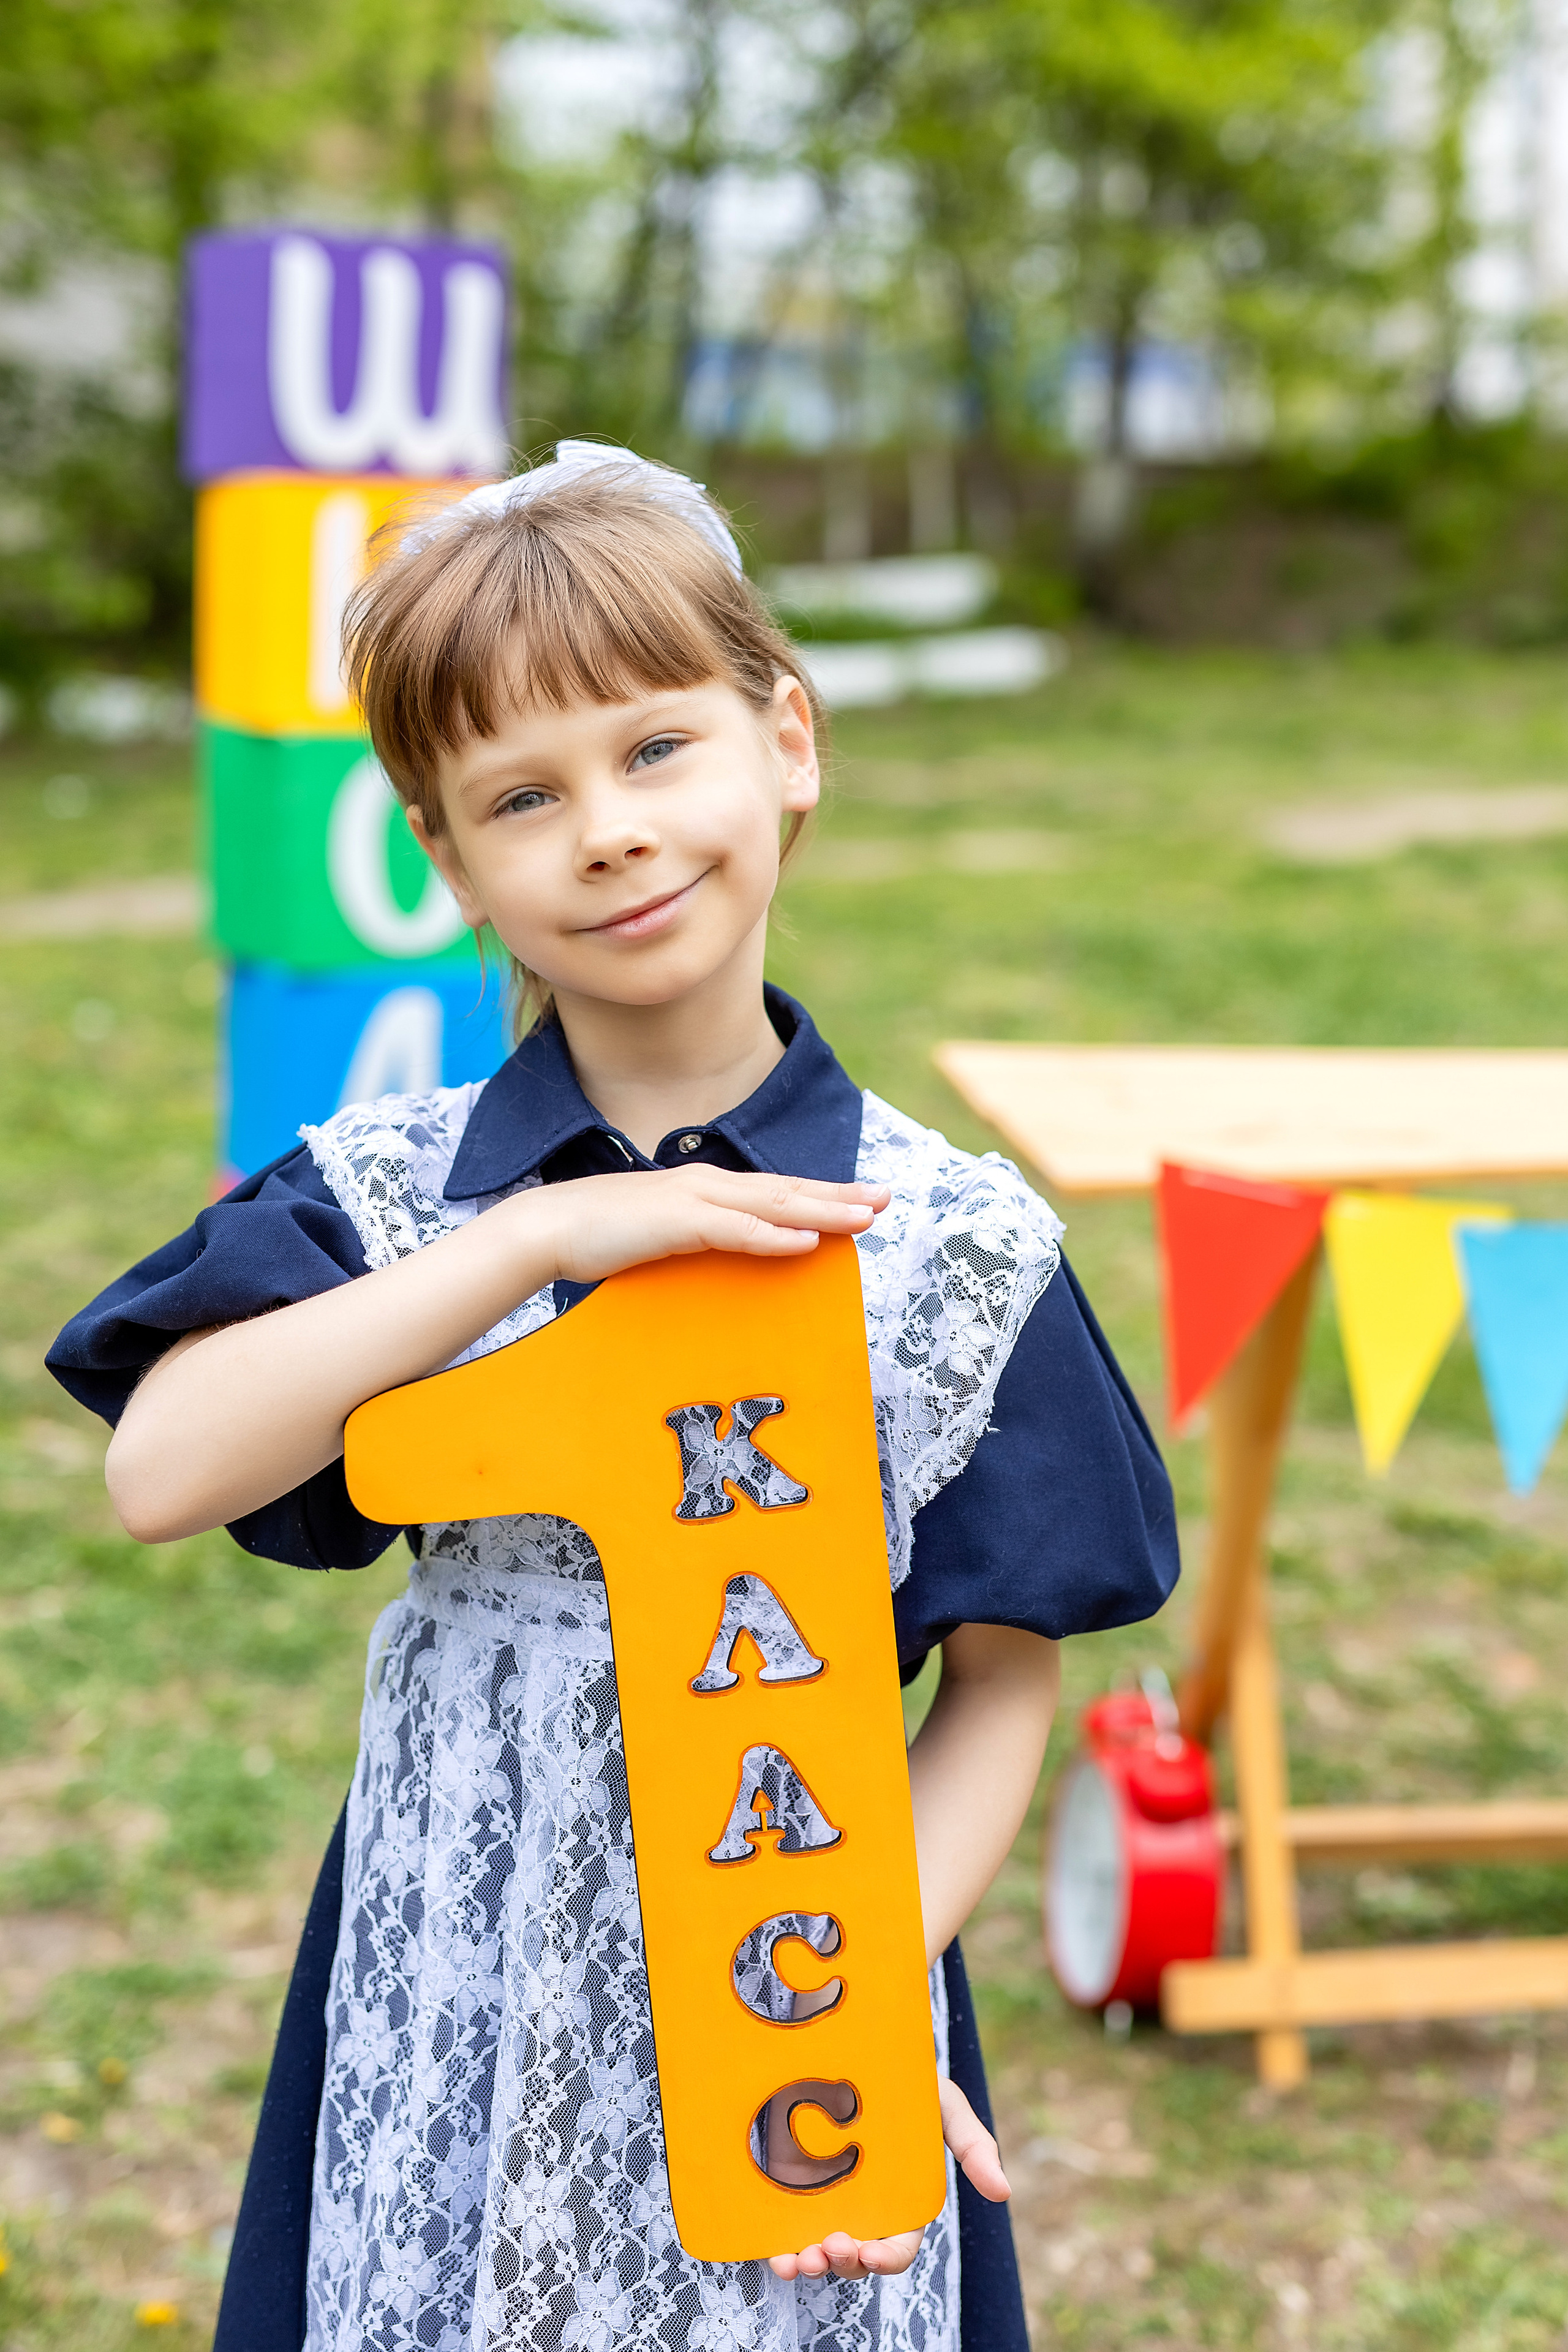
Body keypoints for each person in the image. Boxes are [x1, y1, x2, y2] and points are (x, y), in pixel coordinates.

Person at [48, 441, 1179, 2352]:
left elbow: (999, 1676)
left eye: (658, 749)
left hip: (792, 1944)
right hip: (456, 1950)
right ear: (448, 858)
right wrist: (513, 1254)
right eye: (523, 794)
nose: (609, 832)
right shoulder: (398, 1198)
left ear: (787, 740)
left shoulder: (948, 1242)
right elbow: (161, 1473)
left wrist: (851, 1998)